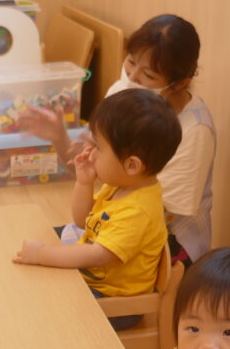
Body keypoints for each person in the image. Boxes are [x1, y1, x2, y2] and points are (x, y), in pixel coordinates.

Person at [18, 14, 214, 265]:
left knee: (53, 258)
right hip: (113, 219)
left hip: (164, 242)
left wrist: (52, 254)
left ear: (179, 84)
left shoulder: (195, 131)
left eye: (148, 75)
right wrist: (60, 138)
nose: (132, 77)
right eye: (130, 62)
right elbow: (90, 168)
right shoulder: (125, 92)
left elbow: (143, 218)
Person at [13, 88, 180, 329]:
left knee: (44, 301)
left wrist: (41, 255)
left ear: (132, 165)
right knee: (44, 244)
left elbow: (95, 255)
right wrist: (84, 183)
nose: (91, 153)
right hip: (97, 282)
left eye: (99, 147)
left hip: (115, 302)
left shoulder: (138, 211)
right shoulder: (121, 185)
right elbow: (83, 221)